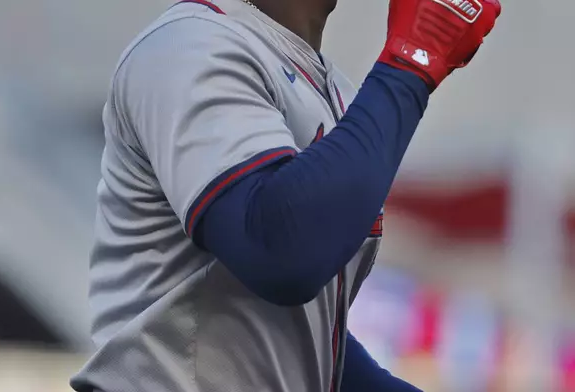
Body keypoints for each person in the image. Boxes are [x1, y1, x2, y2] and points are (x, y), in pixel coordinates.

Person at [71, 0, 501, 391]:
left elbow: (296, 345)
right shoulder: (190, 44)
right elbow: (280, 250)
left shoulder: (333, 90)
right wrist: (412, 60)